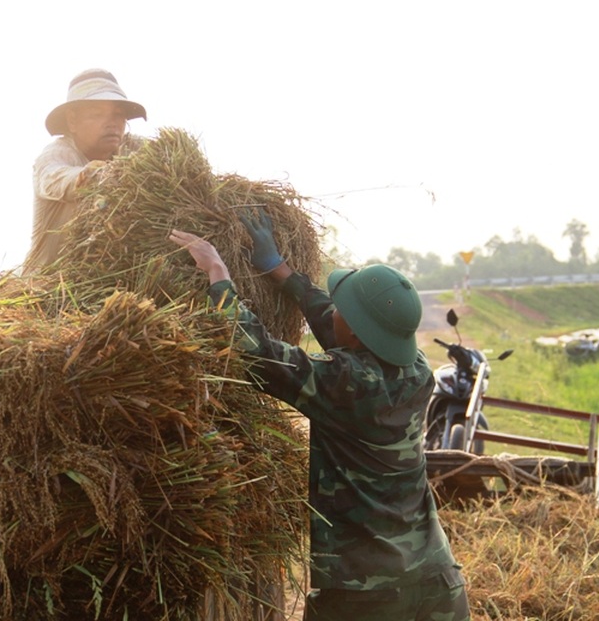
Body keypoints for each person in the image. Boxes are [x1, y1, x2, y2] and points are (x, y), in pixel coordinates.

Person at [169, 210, 469, 621]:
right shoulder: (416, 371)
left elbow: (256, 352)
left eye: (344, 309)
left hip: (367, 595)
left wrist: (218, 273)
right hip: (439, 584)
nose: (335, 313)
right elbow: (344, 328)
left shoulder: (343, 382)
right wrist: (281, 271)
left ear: (358, 332)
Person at [23, 68, 147, 273]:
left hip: (111, 279)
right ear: (72, 121)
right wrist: (97, 176)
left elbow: (166, 161)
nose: (112, 123)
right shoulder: (56, 154)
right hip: (49, 286)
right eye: (97, 114)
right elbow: (58, 179)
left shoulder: (132, 149)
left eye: (119, 115)